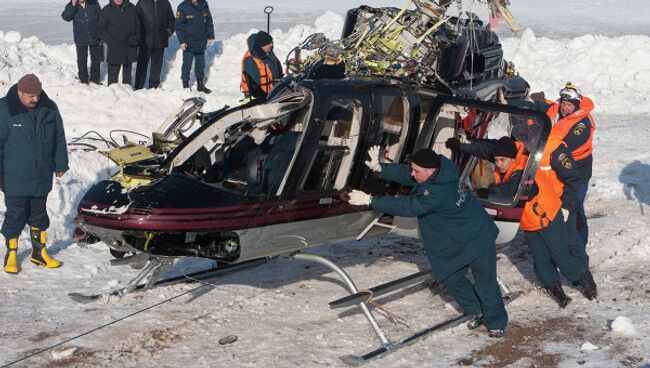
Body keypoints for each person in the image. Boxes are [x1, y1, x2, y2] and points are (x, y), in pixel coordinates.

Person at [348, 146, 508, 338]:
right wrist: (381, 168)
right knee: (450, 277)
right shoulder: (439, 171)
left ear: (431, 171)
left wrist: (371, 200)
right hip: (459, 235)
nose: (413, 173)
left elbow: (409, 206)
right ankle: (477, 310)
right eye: (413, 169)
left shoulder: (436, 192)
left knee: (485, 282)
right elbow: (409, 174)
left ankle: (496, 322)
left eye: (417, 170)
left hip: (478, 236)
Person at [519, 130, 597, 307]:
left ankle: (582, 275)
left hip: (559, 205)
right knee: (541, 253)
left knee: (568, 243)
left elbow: (573, 179)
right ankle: (553, 284)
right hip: (538, 208)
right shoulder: (521, 148)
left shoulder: (556, 150)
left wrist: (567, 206)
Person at [0, 74, 69, 274]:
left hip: (41, 174)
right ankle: (11, 253)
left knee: (39, 215)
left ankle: (39, 253)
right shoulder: (5, 110)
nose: (35, 99)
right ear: (19, 92)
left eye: (37, 94)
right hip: (14, 176)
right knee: (15, 215)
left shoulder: (50, 107)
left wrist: (61, 162)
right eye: (30, 95)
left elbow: (59, 136)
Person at [543, 83, 595, 268]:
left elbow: (566, 143)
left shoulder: (582, 124)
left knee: (574, 209)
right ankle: (561, 247)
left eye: (569, 104)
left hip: (578, 173)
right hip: (562, 170)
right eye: (563, 103)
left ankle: (579, 249)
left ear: (577, 105)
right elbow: (548, 108)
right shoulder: (560, 112)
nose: (565, 107)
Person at [134, 0, 176, 90]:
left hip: (160, 40)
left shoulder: (165, 3)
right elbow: (136, 21)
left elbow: (172, 20)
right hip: (145, 41)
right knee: (142, 65)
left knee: (156, 66)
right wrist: (140, 35)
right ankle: (138, 86)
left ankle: (153, 87)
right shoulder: (141, 3)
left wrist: (168, 31)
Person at [175, 0, 214, 93]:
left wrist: (210, 35)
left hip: (201, 41)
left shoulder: (204, 4)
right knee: (187, 64)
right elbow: (178, 26)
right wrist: (182, 41)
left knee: (200, 64)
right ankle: (185, 84)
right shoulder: (183, 6)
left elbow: (209, 21)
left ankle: (200, 84)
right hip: (188, 42)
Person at [98, 0, 140, 86]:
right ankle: (112, 96)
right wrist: (110, 41)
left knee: (127, 80)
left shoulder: (131, 8)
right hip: (115, 48)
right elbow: (101, 29)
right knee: (113, 80)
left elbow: (138, 26)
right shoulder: (107, 10)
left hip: (129, 47)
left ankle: (127, 95)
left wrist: (135, 39)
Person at [61, 0, 103, 85]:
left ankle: (95, 79)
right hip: (80, 38)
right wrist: (73, 5)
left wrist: (101, 33)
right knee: (82, 60)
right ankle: (83, 80)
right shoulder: (71, 6)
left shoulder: (93, 3)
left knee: (96, 59)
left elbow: (100, 17)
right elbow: (66, 17)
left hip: (94, 36)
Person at [240, 31, 284, 100]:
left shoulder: (268, 53)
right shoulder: (249, 61)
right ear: (262, 46)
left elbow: (278, 71)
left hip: (273, 93)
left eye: (271, 42)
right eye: (269, 43)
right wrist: (273, 95)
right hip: (256, 98)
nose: (271, 45)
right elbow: (258, 86)